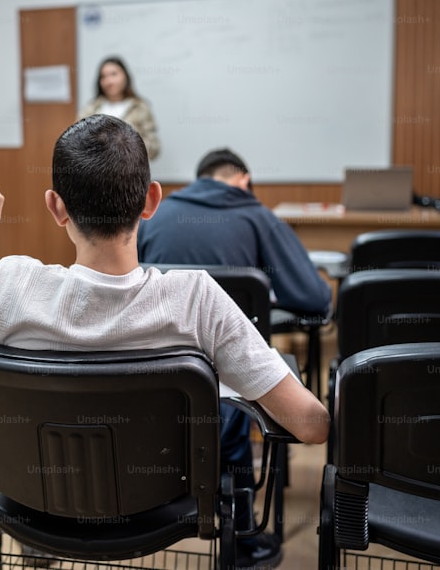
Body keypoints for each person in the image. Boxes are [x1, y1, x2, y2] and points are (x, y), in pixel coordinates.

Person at [0, 116, 329, 566]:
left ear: (56, 207)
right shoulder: (197, 299)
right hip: (163, 511)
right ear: (152, 200)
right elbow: (312, 427)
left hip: (31, 505)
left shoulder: (8, 287)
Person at [137, 148, 331, 567]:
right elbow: (314, 300)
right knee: (239, 393)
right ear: (243, 179)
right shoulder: (257, 214)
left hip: (150, 389)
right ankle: (244, 535)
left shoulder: (159, 213)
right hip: (228, 397)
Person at [137, 148, 331, 317]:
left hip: (160, 352)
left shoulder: (151, 217)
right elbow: (313, 298)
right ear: (244, 181)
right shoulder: (260, 218)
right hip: (235, 356)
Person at [78, 57, 161, 160]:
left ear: (125, 76)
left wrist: (130, 144)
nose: (109, 81)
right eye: (103, 76)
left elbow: (154, 149)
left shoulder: (140, 107)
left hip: (130, 171)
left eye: (114, 74)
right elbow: (77, 142)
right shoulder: (90, 109)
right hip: (96, 171)